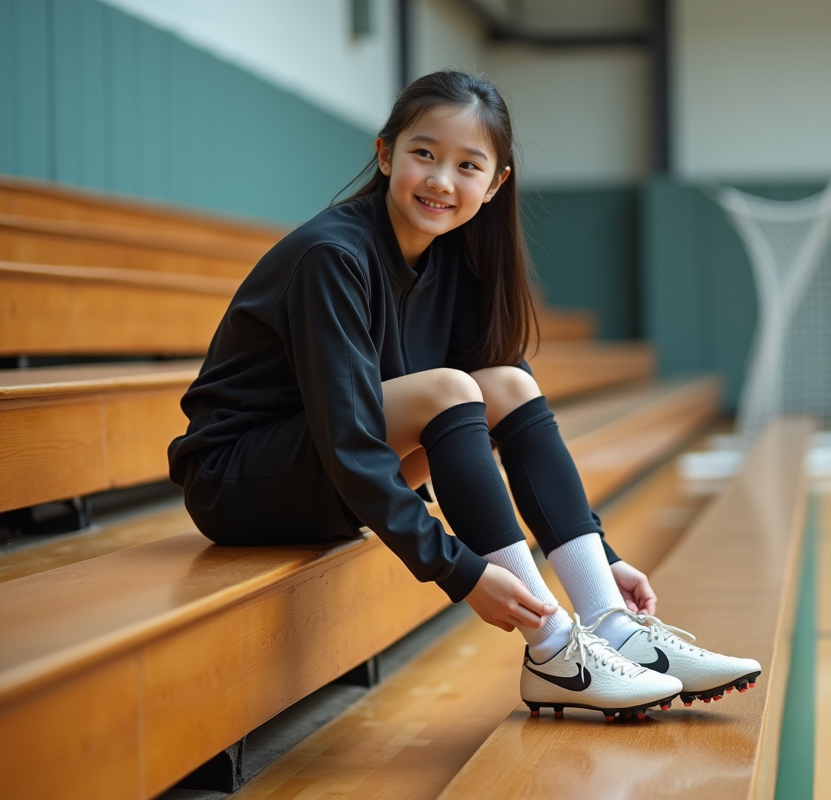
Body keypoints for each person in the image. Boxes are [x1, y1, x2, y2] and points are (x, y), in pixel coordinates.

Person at [167, 70, 759, 722]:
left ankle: (608, 622)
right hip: (240, 481)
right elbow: (349, 438)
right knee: (450, 389)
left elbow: (475, 411)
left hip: (327, 473)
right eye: (424, 153)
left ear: (496, 182)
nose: (441, 181)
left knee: (507, 381)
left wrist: (602, 558)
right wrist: (460, 572)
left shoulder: (455, 259)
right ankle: (555, 647)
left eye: (467, 165)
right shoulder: (331, 256)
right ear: (385, 153)